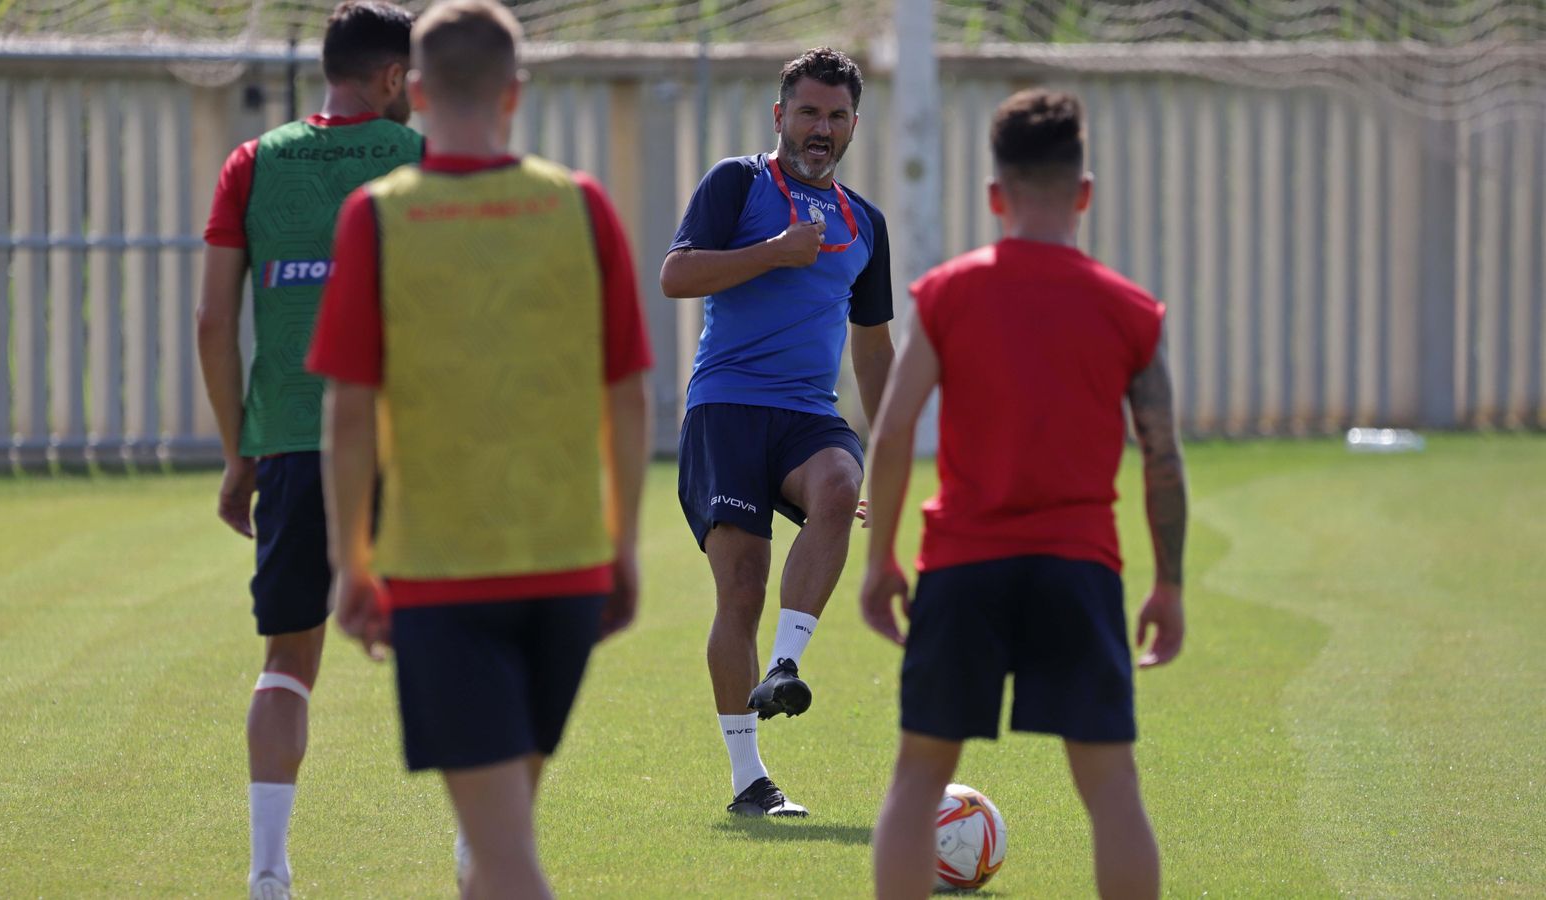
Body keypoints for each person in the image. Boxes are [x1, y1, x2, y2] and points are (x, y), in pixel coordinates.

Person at [306, 1, 652, 897]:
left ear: (414, 91)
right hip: (569, 566)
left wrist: (351, 563)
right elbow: (627, 396)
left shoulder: (378, 217)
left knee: (502, 853)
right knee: (495, 840)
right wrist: (621, 545)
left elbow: (348, 410)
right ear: (517, 93)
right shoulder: (581, 207)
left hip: (442, 574)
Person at [861, 88, 1188, 900]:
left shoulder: (947, 295)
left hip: (963, 567)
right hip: (1079, 570)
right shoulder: (1129, 310)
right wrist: (1170, 585)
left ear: (993, 197)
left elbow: (894, 431)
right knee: (1111, 787)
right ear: (1084, 192)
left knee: (918, 776)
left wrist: (880, 563)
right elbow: (1163, 458)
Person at [193, 3, 422, 896]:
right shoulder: (423, 163)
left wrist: (238, 451)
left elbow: (214, 321)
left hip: (290, 441)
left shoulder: (253, 163)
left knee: (288, 662)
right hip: (402, 444)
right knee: (445, 644)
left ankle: (267, 874)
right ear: (394, 77)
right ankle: (479, 857)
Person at [660, 46, 894, 818]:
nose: (820, 129)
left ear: (854, 124)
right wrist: (770, 254)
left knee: (841, 487)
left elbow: (872, 347)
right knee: (741, 591)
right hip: (725, 406)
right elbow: (677, 276)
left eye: (835, 116)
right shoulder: (739, 182)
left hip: (806, 411)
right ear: (780, 117)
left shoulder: (866, 223)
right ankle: (748, 779)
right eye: (807, 113)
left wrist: (890, 454)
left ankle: (785, 667)